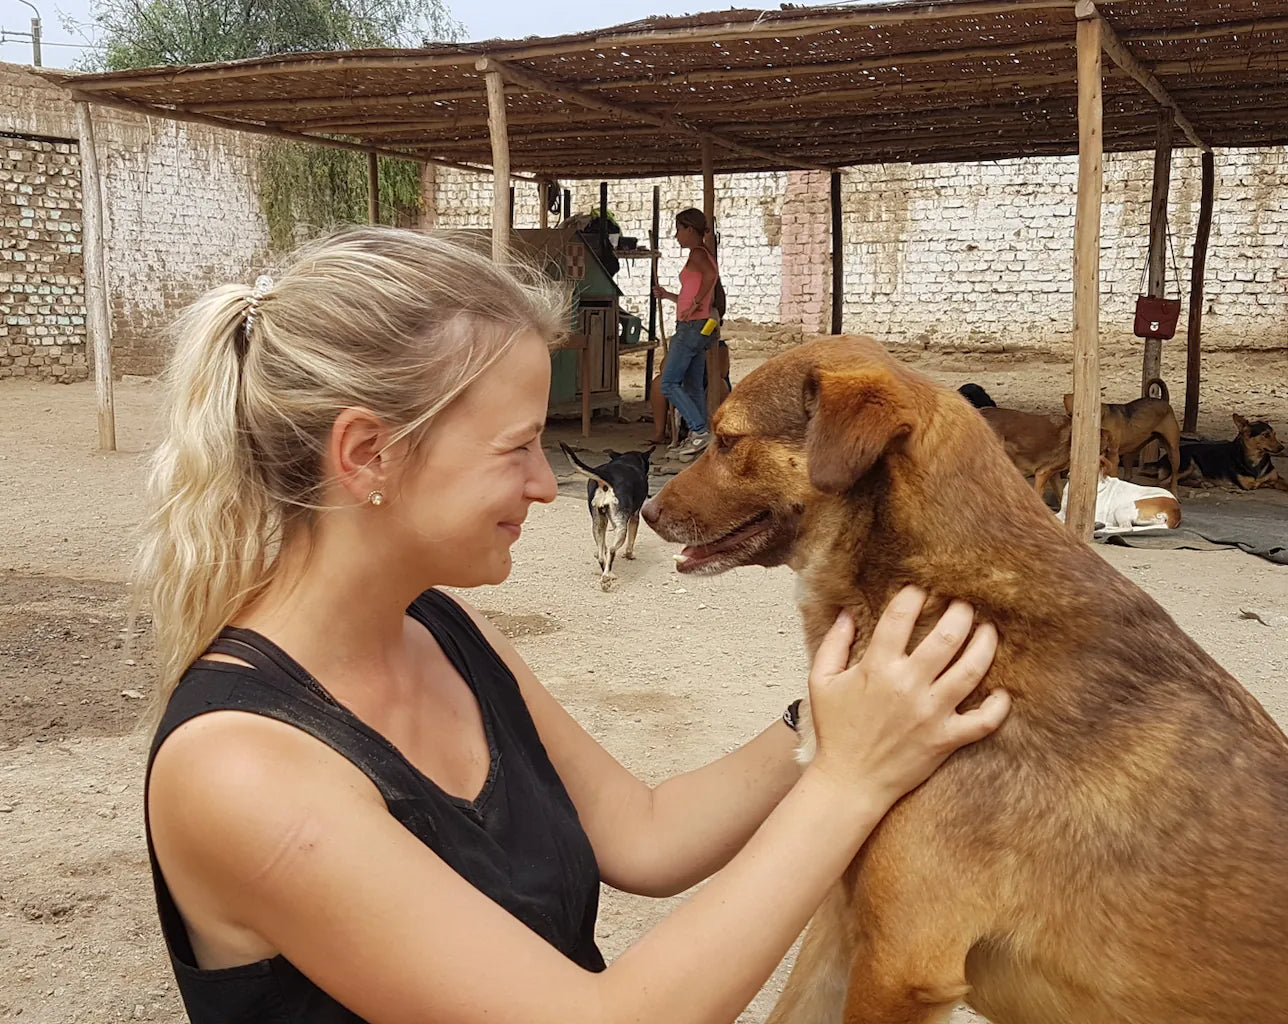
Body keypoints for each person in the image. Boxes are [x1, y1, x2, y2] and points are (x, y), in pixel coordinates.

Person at [133, 228, 1010, 1024]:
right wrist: (847, 783)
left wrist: (832, 717)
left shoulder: (444, 634)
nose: (547, 484)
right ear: (368, 455)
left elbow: (646, 830)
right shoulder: (240, 770)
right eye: (516, 447)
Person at [652, 208, 725, 459]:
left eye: (679, 230)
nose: (676, 236)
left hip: (692, 327)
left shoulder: (697, 253)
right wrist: (670, 296)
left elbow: (710, 276)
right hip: (700, 325)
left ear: (690, 230)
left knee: (669, 382)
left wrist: (695, 302)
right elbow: (696, 288)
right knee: (693, 385)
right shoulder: (702, 254)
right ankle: (700, 439)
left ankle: (699, 431)